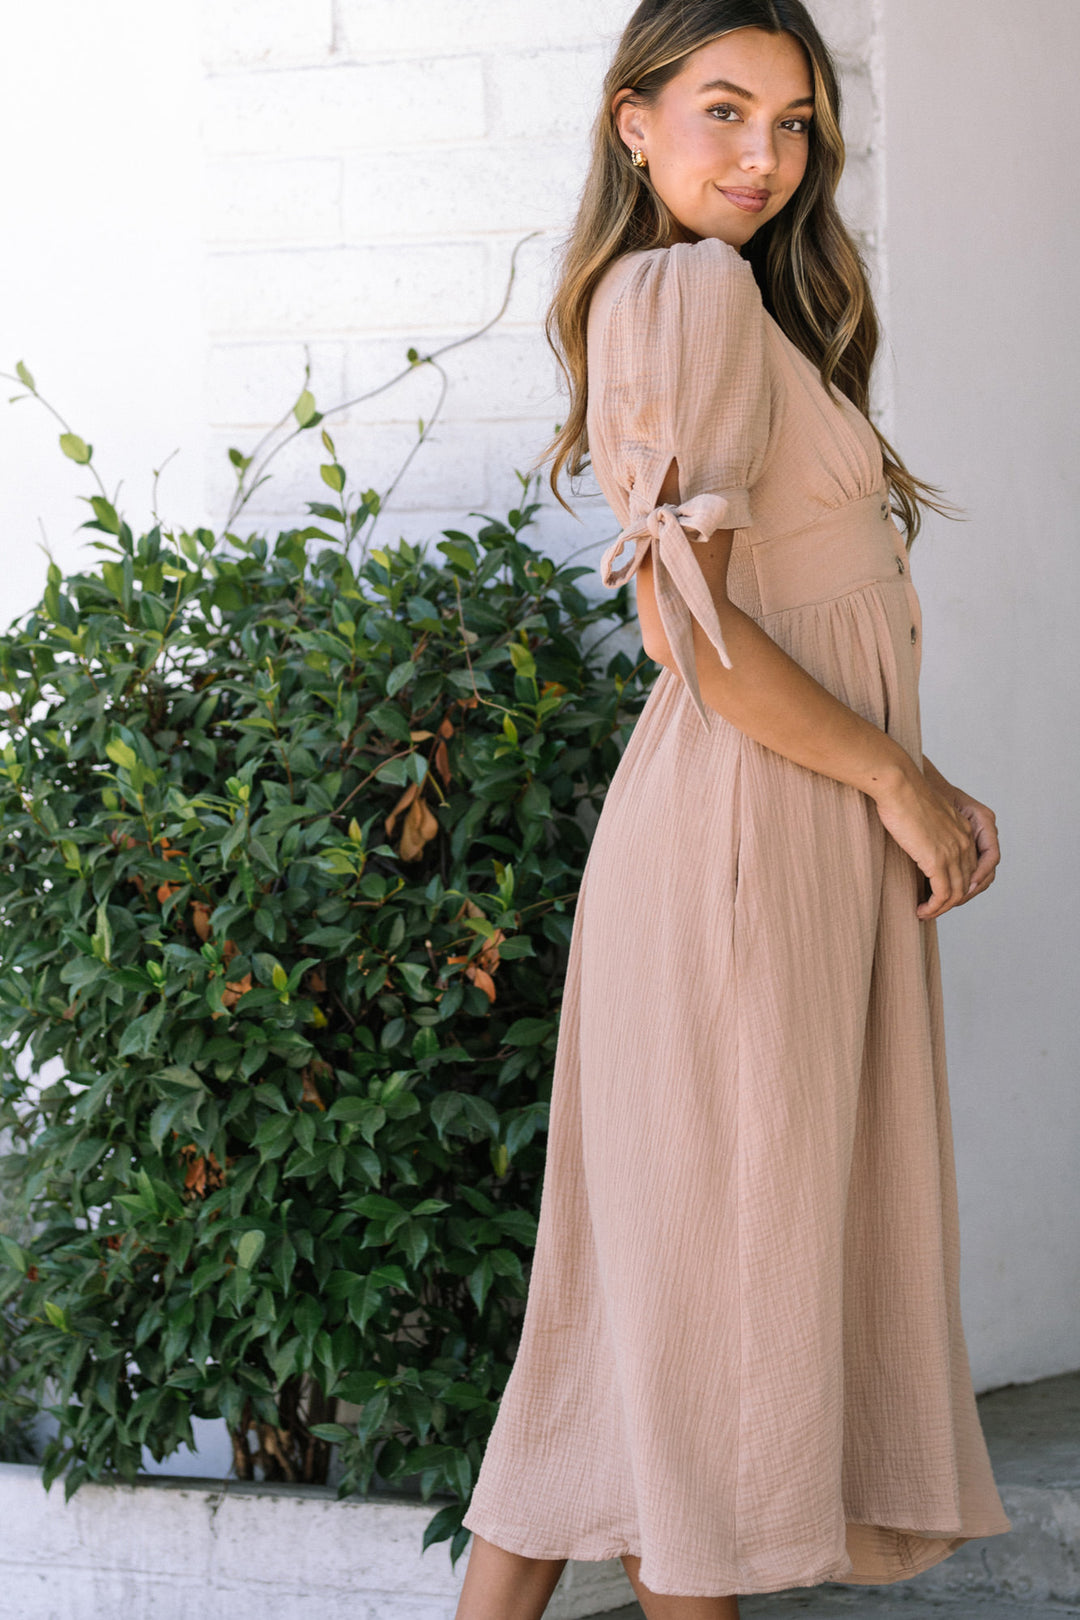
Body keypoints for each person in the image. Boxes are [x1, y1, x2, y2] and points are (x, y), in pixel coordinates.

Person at [454, 3, 1012, 1616]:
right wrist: (898, 774)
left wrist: (908, 774)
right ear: (634, 121)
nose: (764, 157)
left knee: (642, 1313)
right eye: (723, 111)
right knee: (705, 1301)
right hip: (745, 848)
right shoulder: (685, 289)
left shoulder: (733, 306)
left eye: (794, 122)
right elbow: (690, 633)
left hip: (782, 828)